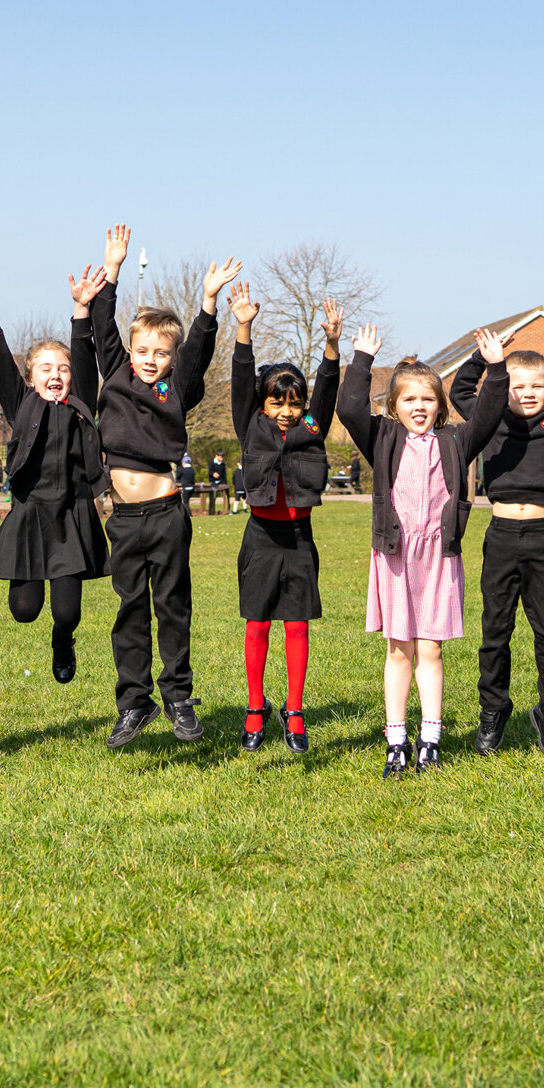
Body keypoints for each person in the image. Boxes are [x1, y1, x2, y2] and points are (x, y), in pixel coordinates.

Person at [88, 224, 242, 748]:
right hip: (125, 519)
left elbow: (199, 347)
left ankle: (177, 696)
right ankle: (134, 702)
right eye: (143, 349)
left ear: (171, 359)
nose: (151, 358)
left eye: (161, 351)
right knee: (130, 607)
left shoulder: (177, 386)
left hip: (167, 511)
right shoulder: (115, 372)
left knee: (172, 606)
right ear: (130, 351)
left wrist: (208, 301)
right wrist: (113, 268)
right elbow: (102, 324)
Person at [340, 325, 509, 774]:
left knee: (430, 650)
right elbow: (349, 408)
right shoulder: (382, 438)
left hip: (438, 557)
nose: (419, 407)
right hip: (396, 556)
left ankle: (430, 738)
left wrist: (495, 368)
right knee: (399, 650)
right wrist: (360, 361)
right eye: (410, 400)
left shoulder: (454, 441)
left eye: (428, 399)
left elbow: (490, 415)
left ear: (440, 405)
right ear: (394, 406)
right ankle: (396, 739)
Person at [0, 257, 109, 685]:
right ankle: (35, 611)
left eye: (61, 369)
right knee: (25, 611)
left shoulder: (79, 403)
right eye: (46, 368)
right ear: (30, 378)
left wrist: (81, 311)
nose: (57, 375)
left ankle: (62, 643)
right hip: (30, 516)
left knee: (68, 613)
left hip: (71, 517)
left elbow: (84, 358)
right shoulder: (22, 404)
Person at [449, 345, 544, 758]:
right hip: (502, 535)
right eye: (518, 385)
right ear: (505, 389)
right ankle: (493, 710)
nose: (527, 393)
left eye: (536, 386)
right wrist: (484, 359)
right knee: (495, 633)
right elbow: (460, 391)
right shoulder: (493, 419)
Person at [228, 285, 342, 754]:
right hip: (260, 537)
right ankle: (256, 708)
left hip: (299, 540)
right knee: (257, 624)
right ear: (263, 404)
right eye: (277, 403)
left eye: (293, 404)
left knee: (296, 624)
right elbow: (239, 377)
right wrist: (243, 327)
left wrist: (332, 343)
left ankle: (293, 711)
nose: (286, 413)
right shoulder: (250, 421)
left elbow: (329, 385)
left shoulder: (312, 428)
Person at [207, 451, 228, 516]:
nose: (222, 459)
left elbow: (224, 474)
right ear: (216, 456)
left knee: (226, 494)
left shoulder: (223, 464)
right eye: (220, 457)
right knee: (213, 496)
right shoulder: (211, 463)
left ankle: (226, 510)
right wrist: (213, 474)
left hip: (221, 482)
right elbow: (209, 472)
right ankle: (211, 511)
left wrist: (225, 483)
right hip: (213, 482)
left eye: (222, 457)